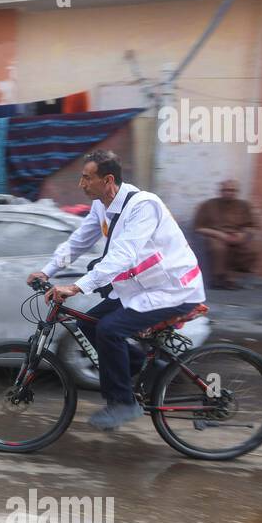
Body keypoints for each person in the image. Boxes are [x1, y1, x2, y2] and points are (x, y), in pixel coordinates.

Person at [27, 151, 206, 431]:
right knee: (87, 325)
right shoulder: (102, 205)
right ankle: (152, 372)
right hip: (139, 289)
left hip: (174, 290)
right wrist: (47, 270)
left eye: (87, 178)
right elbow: (79, 241)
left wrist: (76, 286)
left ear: (108, 180)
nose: (81, 184)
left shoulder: (144, 206)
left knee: (110, 330)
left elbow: (123, 255)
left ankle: (123, 403)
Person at [193, 179, 258, 290]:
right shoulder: (208, 205)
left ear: (237, 192)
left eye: (232, 190)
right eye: (226, 190)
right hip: (214, 235)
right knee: (219, 248)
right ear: (220, 191)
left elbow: (251, 226)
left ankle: (233, 279)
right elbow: (199, 228)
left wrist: (243, 234)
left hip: (236, 235)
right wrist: (219, 234)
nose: (229, 193)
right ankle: (219, 279)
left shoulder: (243, 206)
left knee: (249, 250)